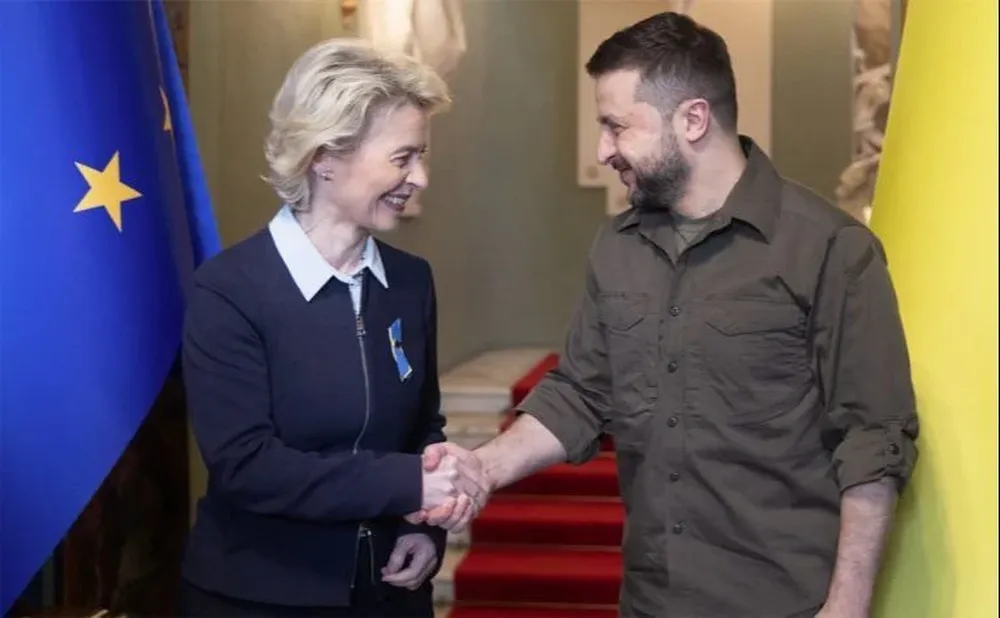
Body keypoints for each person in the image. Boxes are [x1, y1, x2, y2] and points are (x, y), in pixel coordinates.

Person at [413, 12, 919, 618]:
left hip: (783, 602)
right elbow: (580, 394)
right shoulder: (617, 246)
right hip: (651, 601)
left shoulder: (830, 248)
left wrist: (848, 604)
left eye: (616, 127)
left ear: (693, 120)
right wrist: (481, 467)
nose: (603, 150)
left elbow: (873, 437)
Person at [178, 39, 487, 617]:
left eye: (421, 156)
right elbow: (247, 465)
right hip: (258, 598)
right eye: (402, 158)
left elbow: (423, 427)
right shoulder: (229, 289)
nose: (420, 177)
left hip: (389, 594)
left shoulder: (411, 281)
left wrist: (423, 530)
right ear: (325, 156)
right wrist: (409, 485)